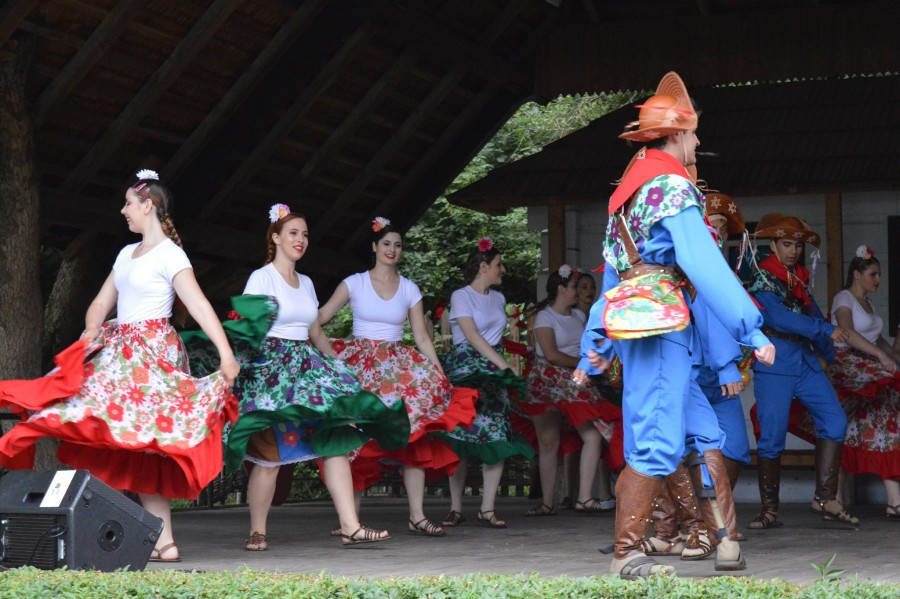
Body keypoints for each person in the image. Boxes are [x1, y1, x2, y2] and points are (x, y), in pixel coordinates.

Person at [573, 72, 775, 579]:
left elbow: (614, 280)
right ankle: (627, 554)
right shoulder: (671, 188)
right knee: (657, 439)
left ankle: (727, 541)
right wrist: (751, 329)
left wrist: (594, 342)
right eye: (694, 133)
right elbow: (706, 266)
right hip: (662, 331)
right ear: (676, 135)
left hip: (644, 327)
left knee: (705, 431)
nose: (699, 142)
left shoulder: (628, 195)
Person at [0, 169, 240, 563]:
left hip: (151, 355)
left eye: (129, 203)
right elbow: (101, 300)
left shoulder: (171, 255)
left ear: (149, 205)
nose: (124, 210)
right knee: (126, 438)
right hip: (119, 350)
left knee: (144, 441)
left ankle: (157, 538)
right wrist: (92, 328)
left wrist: (225, 354)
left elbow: (198, 304)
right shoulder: (125, 255)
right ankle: (163, 541)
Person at [223, 204, 410, 549]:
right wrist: (236, 370)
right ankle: (257, 530)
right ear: (276, 237)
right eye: (293, 233)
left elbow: (316, 333)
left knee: (336, 441)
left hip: (307, 369)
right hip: (273, 374)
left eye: (305, 234)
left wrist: (342, 366)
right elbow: (245, 329)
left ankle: (350, 526)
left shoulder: (307, 282)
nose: (300, 240)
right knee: (270, 458)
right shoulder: (261, 278)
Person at [318, 217, 477, 537]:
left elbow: (421, 337)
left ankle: (417, 516)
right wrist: (330, 356)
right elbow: (318, 318)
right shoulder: (355, 282)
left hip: (397, 363)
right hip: (360, 363)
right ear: (375, 247)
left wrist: (438, 373)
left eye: (398, 245)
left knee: (414, 430)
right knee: (357, 435)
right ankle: (351, 519)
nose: (392, 249)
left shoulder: (409, 288)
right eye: (386, 244)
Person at [748, 214, 867, 528]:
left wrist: (831, 355)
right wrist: (824, 329)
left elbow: (812, 313)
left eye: (797, 245)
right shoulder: (763, 276)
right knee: (771, 438)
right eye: (786, 244)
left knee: (835, 420)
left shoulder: (797, 277)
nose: (793, 251)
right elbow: (776, 318)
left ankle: (825, 499)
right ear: (772, 245)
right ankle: (770, 509)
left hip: (805, 361)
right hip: (775, 363)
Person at [790, 246, 899, 517]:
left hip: (867, 363)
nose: (877, 280)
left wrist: (893, 357)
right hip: (846, 363)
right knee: (853, 418)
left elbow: (878, 341)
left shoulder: (871, 306)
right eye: (873, 274)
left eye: (879, 275)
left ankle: (888, 500)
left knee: (874, 426)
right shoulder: (844, 298)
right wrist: (880, 358)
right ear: (856, 274)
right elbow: (847, 332)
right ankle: (834, 497)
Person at [440, 238, 535, 529]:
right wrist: (504, 365)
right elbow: (471, 336)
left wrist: (502, 365)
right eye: (498, 265)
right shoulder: (461, 296)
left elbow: (493, 337)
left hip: (493, 369)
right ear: (483, 267)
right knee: (459, 435)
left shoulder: (499, 299)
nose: (502, 270)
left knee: (496, 432)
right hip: (466, 367)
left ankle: (487, 508)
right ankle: (455, 508)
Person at [520, 265, 614, 516]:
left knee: (593, 435)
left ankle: (584, 497)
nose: (578, 291)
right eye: (574, 286)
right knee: (549, 441)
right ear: (561, 290)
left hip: (574, 381)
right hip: (548, 380)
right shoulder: (544, 317)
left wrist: (589, 364)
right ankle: (548, 502)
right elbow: (550, 354)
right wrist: (587, 364)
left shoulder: (580, 317)